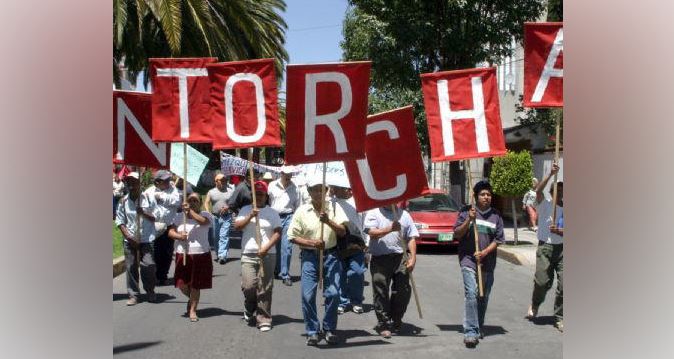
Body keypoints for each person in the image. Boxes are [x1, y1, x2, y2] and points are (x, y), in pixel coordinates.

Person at [288, 177, 349, 346]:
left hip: (331, 255)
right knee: (307, 295)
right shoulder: (302, 211)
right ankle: (312, 330)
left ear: (326, 191)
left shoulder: (335, 207)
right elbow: (292, 236)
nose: (318, 193)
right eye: (314, 189)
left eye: (321, 189)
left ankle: (329, 328)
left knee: (333, 293)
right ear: (309, 192)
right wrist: (312, 243)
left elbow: (343, 232)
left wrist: (328, 220)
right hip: (309, 256)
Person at [453, 180, 505, 348]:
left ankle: (478, 325)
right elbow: (457, 234)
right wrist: (469, 219)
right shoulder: (465, 212)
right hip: (468, 260)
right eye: (483, 194)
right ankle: (470, 331)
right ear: (475, 197)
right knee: (472, 293)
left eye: (488, 194)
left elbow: (498, 239)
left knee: (483, 296)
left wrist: (484, 252)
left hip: (487, 263)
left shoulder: (496, 215)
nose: (486, 197)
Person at [233, 181, 282, 332]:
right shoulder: (245, 209)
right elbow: (237, 227)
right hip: (248, 253)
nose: (259, 197)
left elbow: (278, 232)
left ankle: (264, 318)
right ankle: (250, 305)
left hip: (267, 254)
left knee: (265, 287)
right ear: (252, 197)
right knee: (249, 286)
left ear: (266, 196)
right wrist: (250, 216)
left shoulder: (272, 213)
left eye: (261, 194)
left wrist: (266, 248)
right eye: (256, 194)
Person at [363, 204, 418, 338]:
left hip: (400, 257)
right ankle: (383, 323)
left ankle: (396, 319)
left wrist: (413, 257)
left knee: (403, 290)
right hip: (380, 258)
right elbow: (371, 232)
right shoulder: (374, 213)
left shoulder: (404, 215)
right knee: (380, 290)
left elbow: (411, 237)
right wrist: (390, 229)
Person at [525, 163, 564, 333]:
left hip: (563, 249)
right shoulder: (545, 203)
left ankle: (560, 317)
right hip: (545, 247)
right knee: (542, 282)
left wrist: (561, 230)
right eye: (558, 190)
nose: (562, 193)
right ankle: (535, 303)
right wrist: (550, 174)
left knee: (565, 285)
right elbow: (538, 191)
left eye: (564, 191)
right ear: (553, 192)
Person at [167, 193, 213, 322]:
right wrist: (179, 236)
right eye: (190, 200)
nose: (192, 202)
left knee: (195, 285)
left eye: (195, 200)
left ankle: (193, 310)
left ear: (200, 202)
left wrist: (190, 212)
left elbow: (204, 222)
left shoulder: (206, 215)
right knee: (181, 283)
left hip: (201, 254)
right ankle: (192, 298)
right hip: (183, 253)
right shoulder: (178, 217)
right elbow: (170, 232)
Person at [115, 172, 158, 305]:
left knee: (149, 265)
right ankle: (133, 294)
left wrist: (144, 212)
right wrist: (128, 236)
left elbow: (156, 216)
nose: (131, 185)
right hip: (130, 239)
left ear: (140, 183)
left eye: (134, 182)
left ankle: (150, 290)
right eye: (129, 183)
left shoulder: (148, 198)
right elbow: (120, 221)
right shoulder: (123, 201)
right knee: (131, 266)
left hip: (146, 238)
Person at [328, 180, 366, 316]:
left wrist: (366, 243)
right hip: (337, 242)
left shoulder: (357, 202)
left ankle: (356, 300)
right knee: (341, 272)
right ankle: (342, 301)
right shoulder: (330, 202)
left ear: (346, 189)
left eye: (338, 187)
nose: (335, 190)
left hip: (356, 242)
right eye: (334, 187)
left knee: (357, 272)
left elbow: (363, 223)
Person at [144, 170, 181, 285]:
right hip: (153, 225)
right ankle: (154, 275)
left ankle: (163, 275)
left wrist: (162, 196)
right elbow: (144, 206)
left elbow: (177, 201)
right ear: (157, 181)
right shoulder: (149, 191)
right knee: (154, 251)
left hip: (169, 225)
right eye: (165, 180)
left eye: (169, 179)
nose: (168, 181)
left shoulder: (172, 189)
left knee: (167, 251)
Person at [267, 166, 300, 286]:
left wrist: (296, 221)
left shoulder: (295, 188)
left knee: (287, 246)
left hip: (289, 216)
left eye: (290, 174)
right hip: (274, 216)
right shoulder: (272, 185)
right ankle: (277, 269)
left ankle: (285, 273)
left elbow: (298, 205)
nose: (288, 176)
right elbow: (267, 200)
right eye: (286, 173)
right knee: (275, 245)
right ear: (281, 173)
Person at [205, 173, 234, 264]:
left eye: (225, 180)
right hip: (215, 217)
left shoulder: (230, 191)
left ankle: (222, 255)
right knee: (215, 237)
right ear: (216, 182)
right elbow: (206, 202)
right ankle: (219, 254)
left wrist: (228, 208)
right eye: (221, 180)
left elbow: (234, 203)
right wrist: (208, 212)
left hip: (227, 217)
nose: (224, 182)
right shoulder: (211, 192)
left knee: (224, 236)